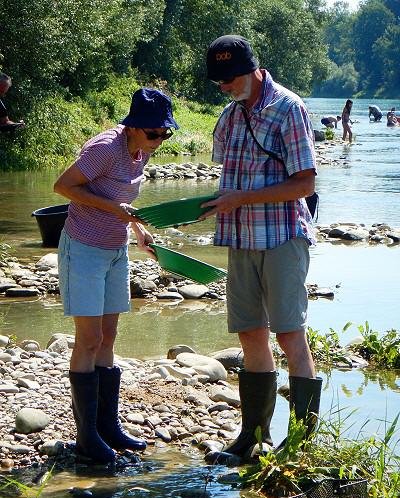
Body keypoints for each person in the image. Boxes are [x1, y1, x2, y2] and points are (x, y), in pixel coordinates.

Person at [201, 35, 322, 465]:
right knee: (250, 333)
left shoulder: (289, 108)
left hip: (283, 236)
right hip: (240, 238)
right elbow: (228, 180)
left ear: (253, 69)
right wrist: (206, 206)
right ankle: (253, 439)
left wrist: (242, 198)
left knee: (289, 335)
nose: (224, 87)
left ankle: (302, 444)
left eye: (230, 78)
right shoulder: (229, 116)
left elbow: (305, 184)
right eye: (218, 81)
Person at [54, 88, 179, 463]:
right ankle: (86, 438)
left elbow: (123, 201)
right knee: (89, 339)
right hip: (84, 248)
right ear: (134, 126)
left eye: (165, 133)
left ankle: (107, 426)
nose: (160, 139)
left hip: (115, 249)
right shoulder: (105, 148)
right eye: (154, 132)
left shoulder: (141, 150)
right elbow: (62, 186)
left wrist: (138, 229)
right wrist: (114, 209)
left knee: (108, 336)